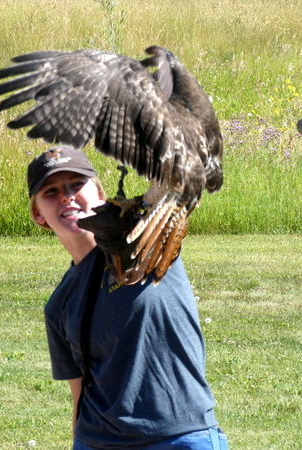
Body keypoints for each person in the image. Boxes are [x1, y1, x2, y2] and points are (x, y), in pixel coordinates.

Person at [27, 145, 229, 450]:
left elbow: (174, 182)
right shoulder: (60, 304)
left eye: (77, 184)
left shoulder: (146, 241)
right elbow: (79, 394)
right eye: (51, 191)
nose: (67, 196)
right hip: (98, 442)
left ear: (100, 193)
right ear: (38, 213)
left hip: (179, 437)